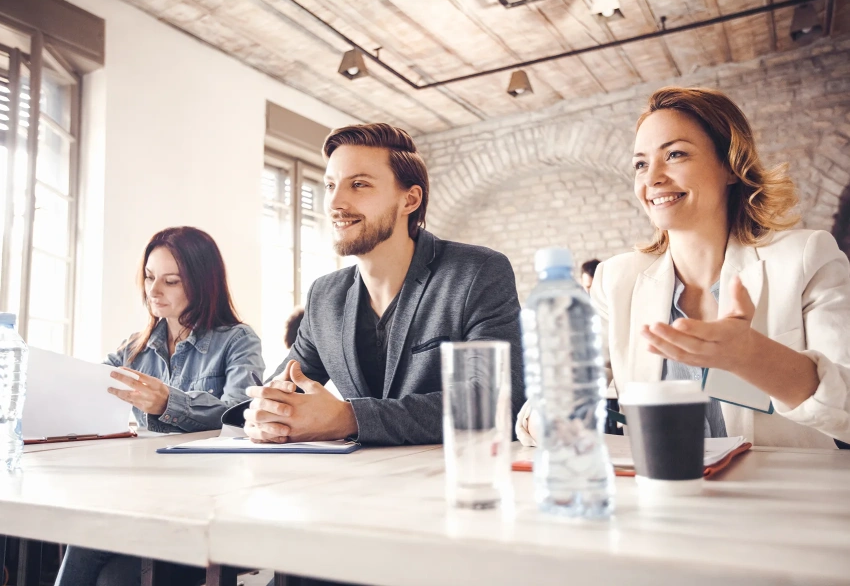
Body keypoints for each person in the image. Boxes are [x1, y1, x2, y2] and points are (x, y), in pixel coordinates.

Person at [518, 86, 850, 449]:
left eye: (675, 154)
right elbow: (551, 401)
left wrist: (751, 356)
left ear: (730, 166)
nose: (652, 178)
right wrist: (545, 419)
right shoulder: (617, 281)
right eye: (641, 163)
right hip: (663, 497)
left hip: (781, 499)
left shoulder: (805, 258)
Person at [240, 123, 525, 446]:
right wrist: (268, 415)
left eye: (359, 184)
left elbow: (499, 402)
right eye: (330, 185)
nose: (335, 203)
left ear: (410, 200)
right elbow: (278, 391)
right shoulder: (325, 296)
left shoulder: (476, 272)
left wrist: (348, 418)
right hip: (358, 485)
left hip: (454, 480)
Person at [56, 226, 264, 586]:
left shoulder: (237, 341)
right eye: (150, 277)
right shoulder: (133, 349)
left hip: (204, 506)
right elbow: (84, 391)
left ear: (202, 283)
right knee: (85, 540)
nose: (153, 291)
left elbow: (240, 418)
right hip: (139, 498)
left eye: (171, 281)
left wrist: (169, 402)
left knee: (109, 574)